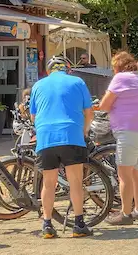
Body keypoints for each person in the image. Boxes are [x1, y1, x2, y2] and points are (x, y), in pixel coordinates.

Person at [28, 56, 94, 238]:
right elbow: (89, 112)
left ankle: (47, 225)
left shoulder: (38, 85)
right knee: (75, 182)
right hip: (71, 135)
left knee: (48, 184)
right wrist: (85, 131)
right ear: (67, 69)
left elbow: (33, 116)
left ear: (49, 71)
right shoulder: (78, 82)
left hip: (46, 137)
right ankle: (79, 225)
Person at [96, 52, 138, 225]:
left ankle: (126, 214)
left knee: (124, 175)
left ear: (118, 67)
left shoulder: (120, 78)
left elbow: (104, 105)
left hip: (128, 131)